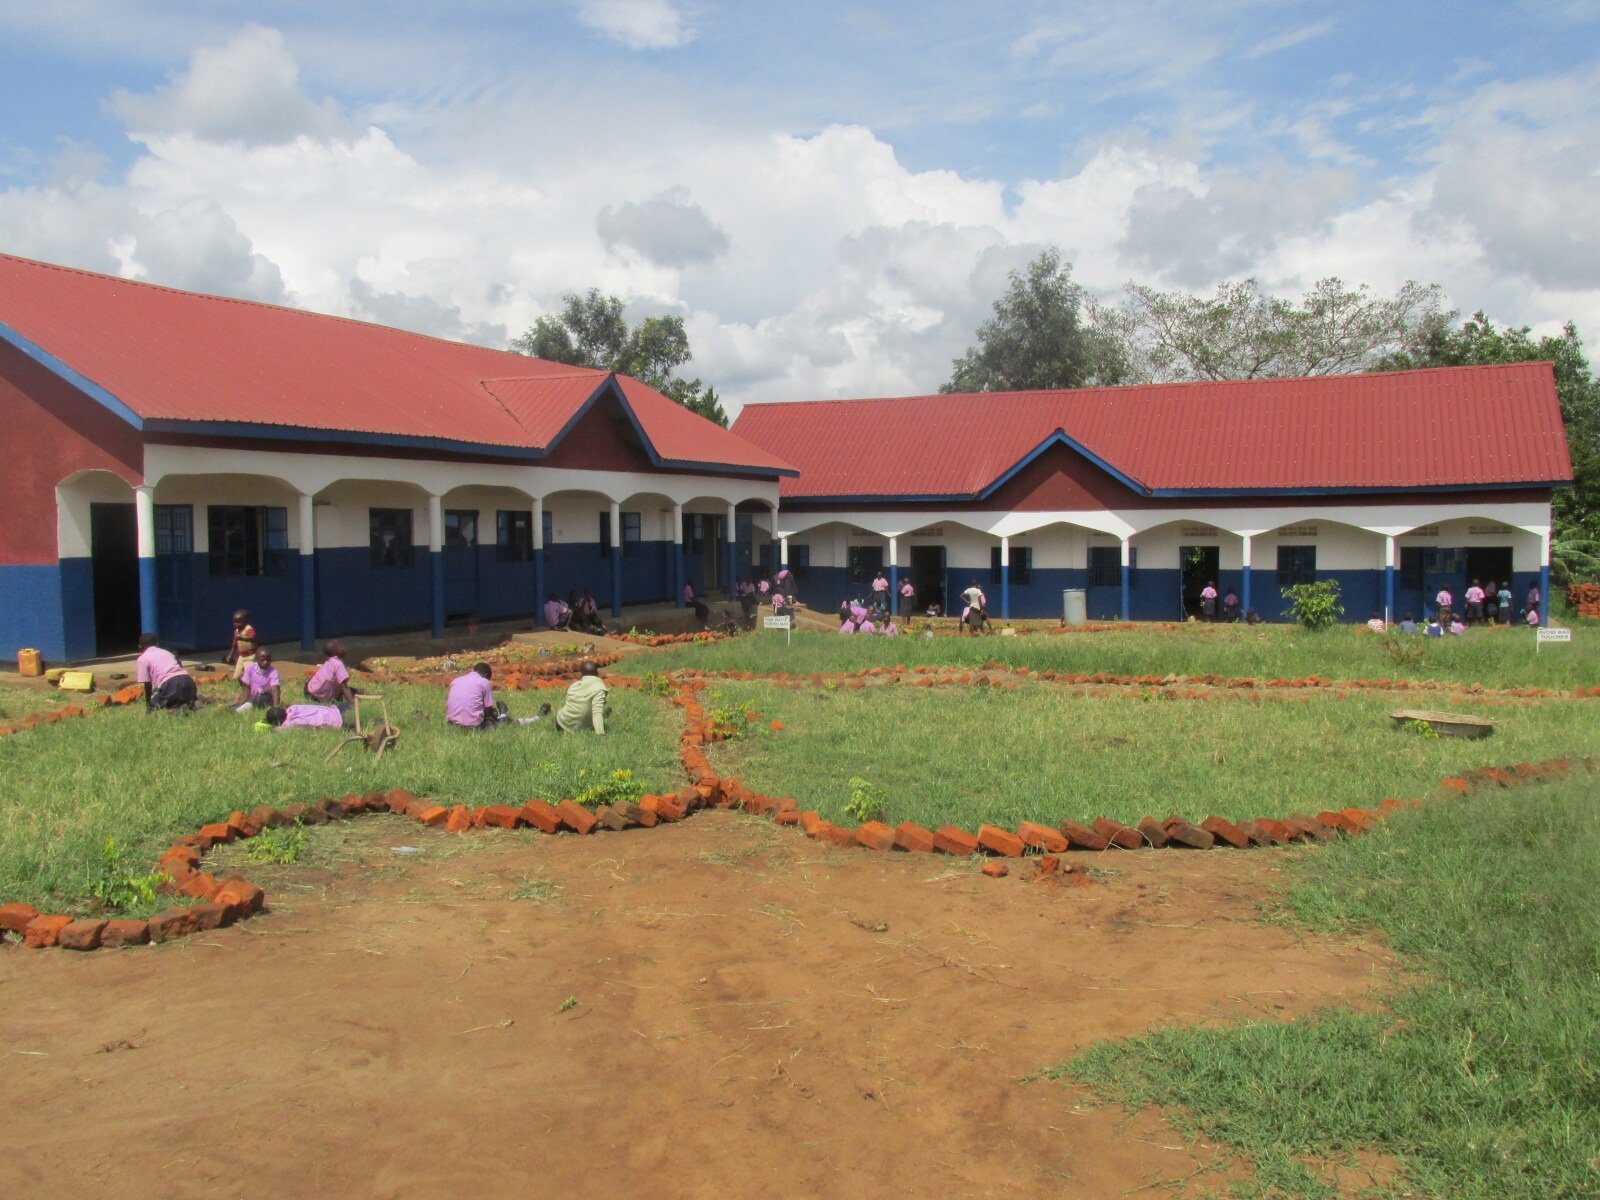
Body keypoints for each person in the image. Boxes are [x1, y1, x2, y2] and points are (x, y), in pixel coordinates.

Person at [136, 632, 196, 711]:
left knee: (157, 703)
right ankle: (191, 703)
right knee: (185, 700)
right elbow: (179, 665)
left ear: (140, 646)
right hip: (188, 681)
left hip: (170, 684)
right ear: (156, 643)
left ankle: (176, 710)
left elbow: (147, 684)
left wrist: (148, 704)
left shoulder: (142, 659)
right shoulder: (167, 652)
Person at [447, 663, 504, 730]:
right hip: (473, 726)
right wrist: (494, 715)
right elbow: (488, 710)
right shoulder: (484, 682)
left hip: (452, 725)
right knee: (495, 723)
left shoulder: (456, 681)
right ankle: (504, 716)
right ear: (486, 675)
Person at [556, 661, 609, 734]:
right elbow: (597, 713)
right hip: (583, 728)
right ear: (597, 673)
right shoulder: (599, 688)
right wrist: (600, 734)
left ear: (581, 674)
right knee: (602, 711)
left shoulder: (573, 686)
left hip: (562, 724)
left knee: (561, 712)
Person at [306, 641, 356, 706]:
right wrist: (352, 703)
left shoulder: (329, 661)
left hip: (310, 691)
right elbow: (344, 685)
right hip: (321, 696)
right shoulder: (338, 664)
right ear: (335, 652)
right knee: (351, 691)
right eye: (340, 647)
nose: (343, 648)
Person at [225, 609, 258, 681]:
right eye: (234, 622)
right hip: (241, 656)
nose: (236, 624)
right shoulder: (236, 631)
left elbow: (254, 638)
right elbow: (234, 644)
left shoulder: (249, 629)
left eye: (238, 622)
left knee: (249, 673)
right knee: (236, 675)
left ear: (245, 622)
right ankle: (237, 682)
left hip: (250, 656)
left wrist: (242, 638)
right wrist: (230, 655)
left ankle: (254, 684)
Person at [264, 703, 348, 730]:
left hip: (341, 720)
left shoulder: (292, 723)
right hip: (339, 708)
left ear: (278, 722)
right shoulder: (293, 708)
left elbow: (278, 730)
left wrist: (269, 728)